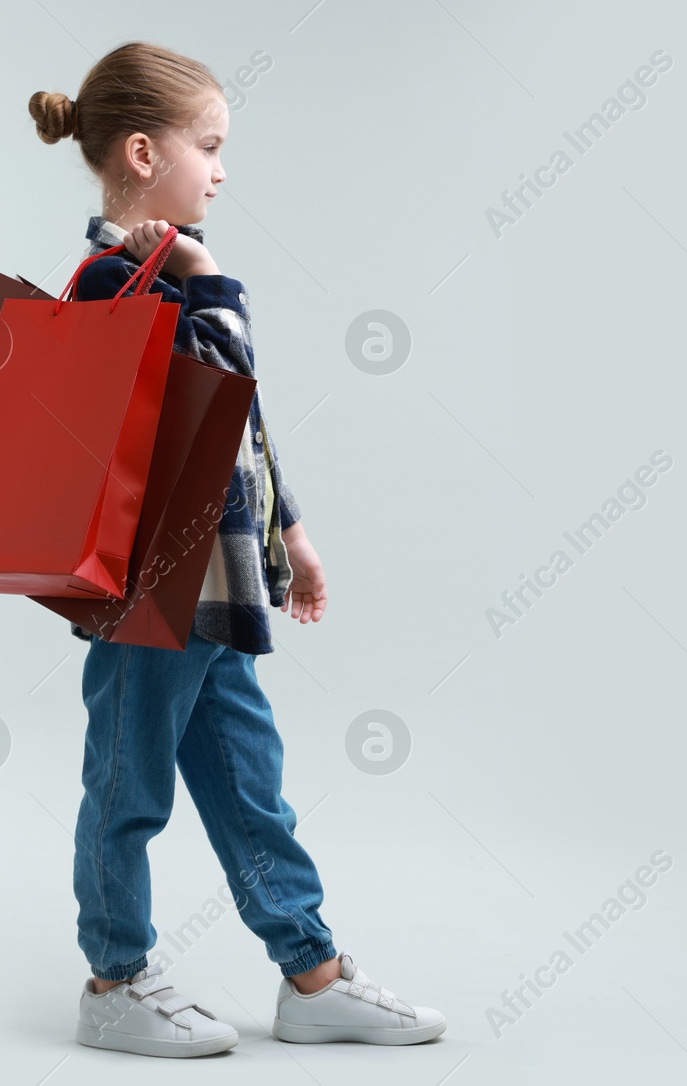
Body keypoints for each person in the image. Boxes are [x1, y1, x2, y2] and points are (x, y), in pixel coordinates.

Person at [28, 41, 447, 1058]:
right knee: (128, 786)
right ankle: (113, 981)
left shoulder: (164, 272)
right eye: (207, 146)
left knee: (250, 783)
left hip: (217, 588)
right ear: (140, 152)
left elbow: (235, 430)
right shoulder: (108, 284)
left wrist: (289, 537)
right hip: (146, 593)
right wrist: (208, 276)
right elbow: (224, 365)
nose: (220, 169)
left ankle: (310, 976)